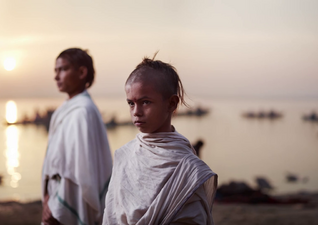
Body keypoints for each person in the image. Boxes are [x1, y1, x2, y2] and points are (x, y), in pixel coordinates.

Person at [103, 56, 217, 225]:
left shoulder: (188, 168)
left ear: (171, 104)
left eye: (146, 102)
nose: (136, 112)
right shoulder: (124, 155)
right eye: (131, 103)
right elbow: (112, 214)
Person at [41, 48, 113, 225]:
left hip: (67, 201)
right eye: (55, 71)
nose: (56, 77)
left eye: (63, 69)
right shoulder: (69, 108)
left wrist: (56, 204)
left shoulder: (83, 112)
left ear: (82, 72)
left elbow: (80, 171)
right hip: (54, 196)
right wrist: (48, 197)